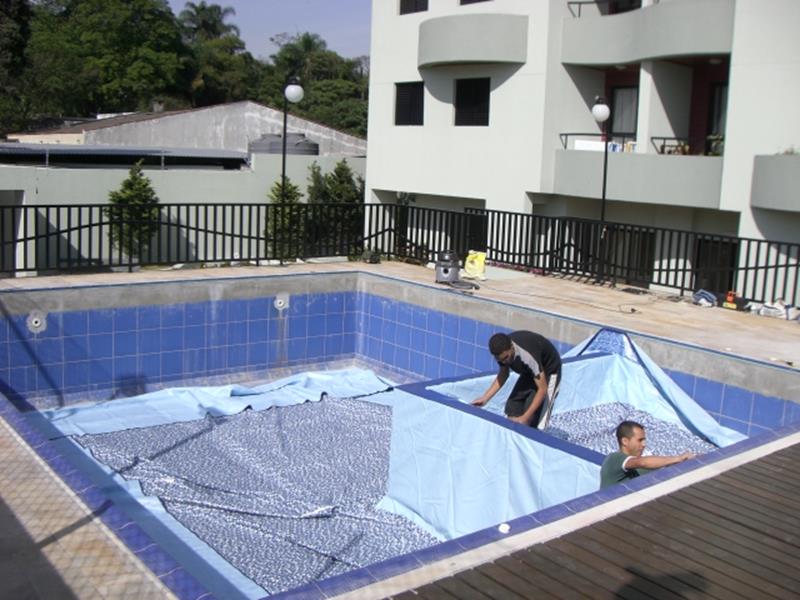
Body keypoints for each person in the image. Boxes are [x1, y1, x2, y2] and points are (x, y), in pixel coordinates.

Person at [471, 331, 562, 428]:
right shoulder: (502, 352)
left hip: (550, 371)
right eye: (500, 360)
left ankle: (531, 430)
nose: (504, 362)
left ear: (511, 347)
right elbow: (503, 374)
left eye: (506, 358)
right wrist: (485, 398)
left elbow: (542, 389)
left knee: (537, 420)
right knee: (513, 406)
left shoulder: (527, 356)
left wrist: (525, 417)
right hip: (531, 371)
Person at [600, 421, 696, 489]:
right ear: (625, 441)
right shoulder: (614, 459)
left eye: (644, 440)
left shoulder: (643, 469)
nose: (644, 444)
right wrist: (678, 458)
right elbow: (643, 462)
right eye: (640, 440)